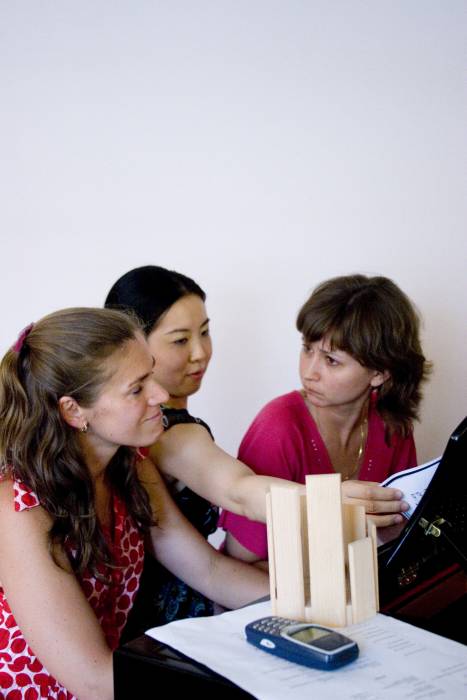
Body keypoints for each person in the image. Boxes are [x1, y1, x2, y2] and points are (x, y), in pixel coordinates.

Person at [105, 267, 410, 627]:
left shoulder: (152, 438)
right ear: (133, 348)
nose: (201, 353)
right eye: (180, 340)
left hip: (216, 594)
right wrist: (330, 504)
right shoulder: (169, 435)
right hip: (170, 620)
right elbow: (240, 493)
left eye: (205, 332)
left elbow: (210, 568)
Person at [0, 308, 268, 700]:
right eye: (137, 388)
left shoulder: (130, 463)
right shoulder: (19, 508)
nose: (161, 394)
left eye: (152, 375)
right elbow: (92, 679)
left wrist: (312, 604)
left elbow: (208, 570)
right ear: (73, 411)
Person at [220, 274, 432, 565]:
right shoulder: (278, 428)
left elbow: (399, 533)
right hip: (269, 599)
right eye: (307, 349)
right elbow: (241, 561)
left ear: (379, 373)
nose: (309, 372)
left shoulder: (392, 425)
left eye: (331, 360)